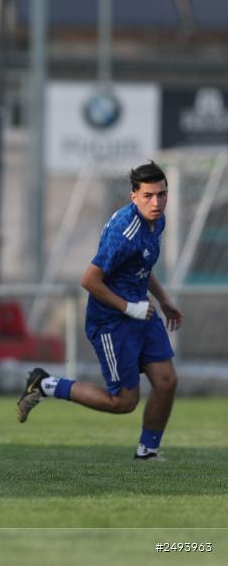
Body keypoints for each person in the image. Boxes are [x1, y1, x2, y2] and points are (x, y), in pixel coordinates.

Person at [17, 161, 182, 460]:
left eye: (162, 194)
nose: (156, 202)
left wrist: (164, 299)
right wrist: (129, 308)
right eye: (148, 195)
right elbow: (89, 280)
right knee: (123, 402)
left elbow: (141, 265)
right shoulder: (124, 232)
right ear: (134, 196)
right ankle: (45, 384)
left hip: (140, 312)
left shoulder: (156, 221)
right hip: (112, 322)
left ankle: (147, 452)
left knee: (167, 381)